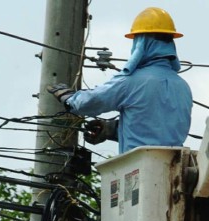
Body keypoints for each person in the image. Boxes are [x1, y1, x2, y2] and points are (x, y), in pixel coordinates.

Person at [48, 7, 192, 154]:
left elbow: (90, 102)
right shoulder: (183, 87)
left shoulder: (131, 82)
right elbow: (157, 131)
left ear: (141, 42)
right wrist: (112, 130)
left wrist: (69, 98)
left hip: (137, 170)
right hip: (173, 170)